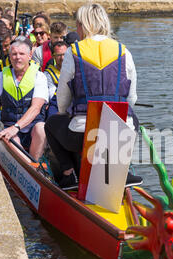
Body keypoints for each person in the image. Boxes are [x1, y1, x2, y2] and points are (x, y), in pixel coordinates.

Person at [44, 3, 142, 190]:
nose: (76, 29)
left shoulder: (74, 52)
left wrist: (65, 113)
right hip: (117, 134)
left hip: (83, 135)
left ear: (83, 25)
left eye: (77, 25)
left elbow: (63, 98)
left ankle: (68, 174)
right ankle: (123, 169)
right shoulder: (124, 51)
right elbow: (132, 99)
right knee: (133, 120)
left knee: (51, 125)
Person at [0, 37, 48, 161]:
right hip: (10, 126)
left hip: (31, 128)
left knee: (42, 128)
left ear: (29, 56)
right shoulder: (1, 76)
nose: (17, 57)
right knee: (13, 139)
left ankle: (35, 162)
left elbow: (36, 108)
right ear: (10, 57)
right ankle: (30, 167)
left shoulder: (39, 77)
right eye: (14, 54)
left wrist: (16, 127)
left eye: (21, 54)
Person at [43, 41, 68, 119]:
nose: (62, 58)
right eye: (59, 55)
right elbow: (51, 95)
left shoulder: (75, 70)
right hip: (56, 104)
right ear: (53, 56)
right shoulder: (48, 74)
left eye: (64, 54)